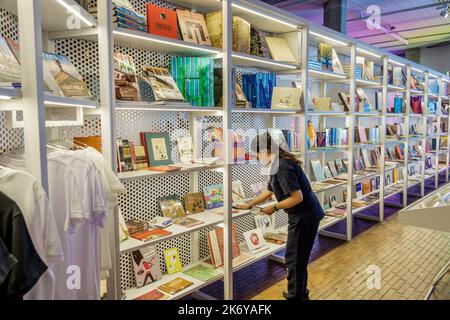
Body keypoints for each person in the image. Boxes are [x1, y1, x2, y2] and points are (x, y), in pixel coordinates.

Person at [235, 132, 324, 300]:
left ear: (266, 150)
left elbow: (297, 197)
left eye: (258, 154)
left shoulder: (283, 166)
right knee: (299, 258)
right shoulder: (277, 163)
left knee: (294, 260)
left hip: (304, 218)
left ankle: (295, 296)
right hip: (305, 215)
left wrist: (274, 207)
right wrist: (250, 204)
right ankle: (299, 293)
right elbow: (269, 190)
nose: (257, 159)